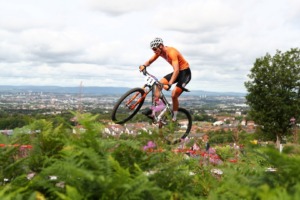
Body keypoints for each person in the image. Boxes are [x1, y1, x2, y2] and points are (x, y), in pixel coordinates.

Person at [139, 37, 191, 121]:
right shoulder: (159, 52)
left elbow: (177, 70)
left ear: (161, 46)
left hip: (185, 73)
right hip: (176, 73)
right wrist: (144, 65)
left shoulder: (172, 52)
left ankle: (174, 116)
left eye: (155, 49)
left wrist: (169, 84)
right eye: (153, 50)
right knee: (158, 86)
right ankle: (157, 109)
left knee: (174, 94)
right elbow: (150, 61)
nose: (154, 51)